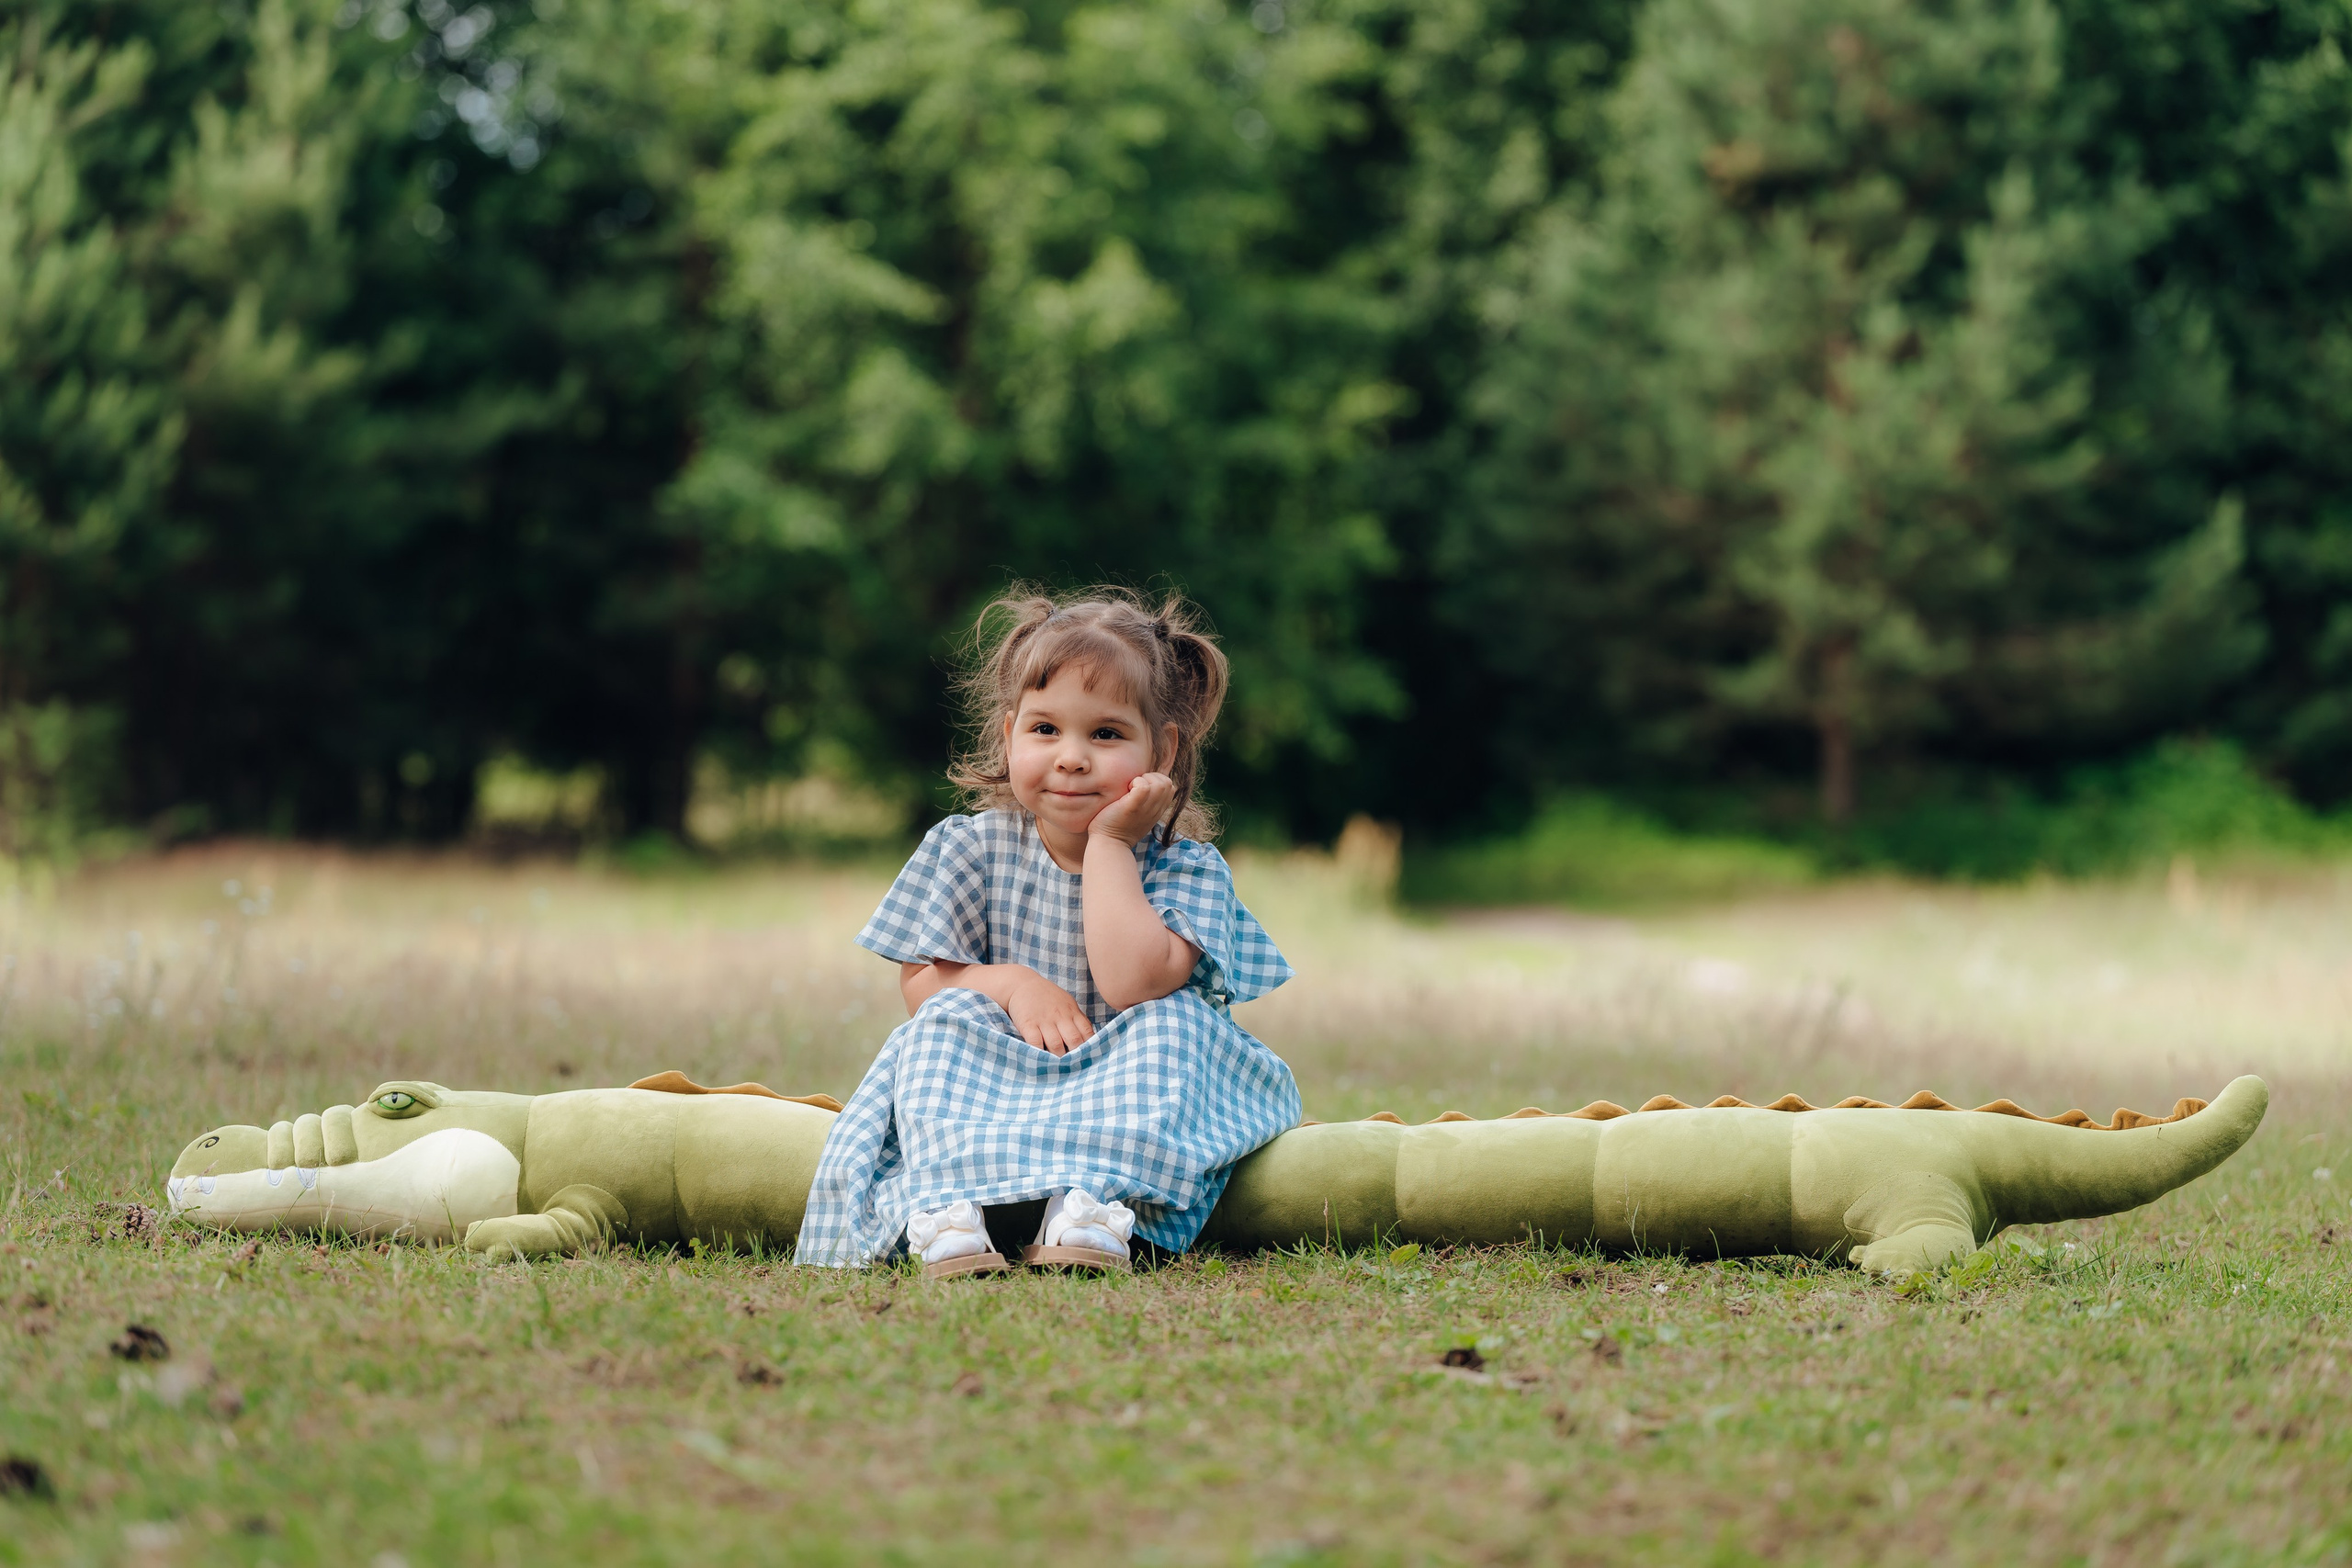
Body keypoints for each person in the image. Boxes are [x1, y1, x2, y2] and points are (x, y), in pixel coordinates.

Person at [794, 588, 1303, 1275]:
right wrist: (1011, 984)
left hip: (1126, 1100)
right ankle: (949, 1209)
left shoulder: (1185, 868)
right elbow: (920, 986)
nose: (1071, 756)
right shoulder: (971, 847)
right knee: (942, 1021)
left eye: (1106, 733)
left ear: (1163, 748)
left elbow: (1132, 984)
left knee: (1175, 1022)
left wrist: (1111, 844)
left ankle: (1089, 1207)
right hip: (995, 1095)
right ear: (1009, 736)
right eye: (1045, 730)